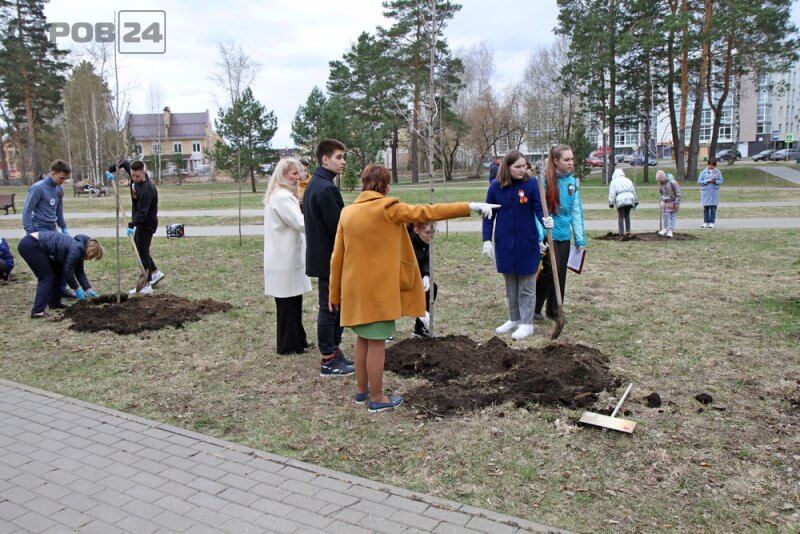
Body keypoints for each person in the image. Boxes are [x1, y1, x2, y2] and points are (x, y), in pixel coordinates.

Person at [329, 164, 496, 412]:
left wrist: (334, 292)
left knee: (362, 339)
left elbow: (337, 256)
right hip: (379, 291)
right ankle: (377, 398)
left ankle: (362, 392)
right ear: (386, 187)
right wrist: (470, 206)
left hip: (354, 288)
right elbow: (429, 211)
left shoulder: (347, 212)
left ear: (364, 184)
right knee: (376, 343)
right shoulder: (389, 208)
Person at [483, 150, 553, 340]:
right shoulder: (495, 186)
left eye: (524, 166)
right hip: (505, 242)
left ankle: (526, 324)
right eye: (518, 167)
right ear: (507, 167)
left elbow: (539, 208)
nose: (523, 170)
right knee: (511, 285)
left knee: (527, 286)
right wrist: (487, 239)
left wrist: (545, 220)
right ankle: (514, 319)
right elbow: (488, 215)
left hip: (526, 242)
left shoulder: (531, 184)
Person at [303, 139, 354, 376]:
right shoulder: (326, 188)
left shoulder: (315, 183)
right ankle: (328, 359)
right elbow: (339, 229)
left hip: (322, 255)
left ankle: (334, 350)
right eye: (339, 157)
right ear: (325, 159)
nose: (343, 162)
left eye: (344, 157)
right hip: (329, 258)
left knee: (334, 305)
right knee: (330, 307)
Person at [263, 158, 312, 355]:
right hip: (284, 258)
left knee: (293, 303)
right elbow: (300, 223)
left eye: (300, 173)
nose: (298, 177)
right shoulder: (282, 198)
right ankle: (288, 345)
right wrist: (317, 217)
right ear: (283, 175)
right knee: (288, 306)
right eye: (294, 173)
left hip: (284, 257)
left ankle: (298, 341)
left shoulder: (281, 195)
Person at [534, 144, 586, 322]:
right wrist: (541, 234)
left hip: (564, 234)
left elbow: (576, 211)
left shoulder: (572, 182)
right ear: (556, 161)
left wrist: (579, 238)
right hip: (549, 233)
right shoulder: (544, 180)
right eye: (566, 159)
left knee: (561, 272)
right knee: (549, 270)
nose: (571, 163)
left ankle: (555, 309)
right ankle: (534, 307)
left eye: (572, 159)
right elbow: (537, 210)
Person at [17, 231, 102, 318]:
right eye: (92, 256)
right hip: (31, 244)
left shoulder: (79, 248)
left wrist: (88, 289)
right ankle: (37, 311)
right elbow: (68, 272)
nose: (90, 259)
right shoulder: (76, 249)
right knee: (46, 277)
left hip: (32, 244)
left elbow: (79, 272)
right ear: (89, 251)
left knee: (58, 272)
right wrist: (76, 288)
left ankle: (54, 303)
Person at [22, 159, 73, 298]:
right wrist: (30, 232)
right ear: (53, 173)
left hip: (52, 229)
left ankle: (61, 288)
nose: (63, 181)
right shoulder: (38, 188)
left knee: (62, 258)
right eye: (61, 178)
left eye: (65, 179)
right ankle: (49, 293)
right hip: (39, 229)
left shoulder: (59, 189)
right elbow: (27, 210)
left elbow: (59, 211)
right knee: (47, 264)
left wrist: (63, 227)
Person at [127, 160, 164, 295]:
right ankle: (155, 272)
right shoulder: (134, 175)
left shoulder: (147, 189)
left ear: (144, 172)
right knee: (139, 248)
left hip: (147, 223)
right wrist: (111, 170)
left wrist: (132, 224)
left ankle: (147, 284)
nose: (134, 178)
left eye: (137, 176)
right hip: (141, 223)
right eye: (132, 175)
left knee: (141, 251)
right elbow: (125, 164)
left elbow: (143, 212)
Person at [407, 222, 437, 338]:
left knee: (432, 287)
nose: (431, 236)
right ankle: (385, 331)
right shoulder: (407, 244)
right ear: (416, 230)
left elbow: (426, 260)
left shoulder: (426, 242)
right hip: (401, 280)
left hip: (417, 278)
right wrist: (419, 309)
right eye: (428, 232)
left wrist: (426, 275)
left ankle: (419, 328)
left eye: (433, 232)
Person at [608, 168, 639, 238]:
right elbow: (633, 191)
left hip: (620, 199)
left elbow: (612, 193)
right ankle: (628, 232)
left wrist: (611, 202)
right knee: (627, 215)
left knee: (621, 216)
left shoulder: (614, 182)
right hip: (630, 199)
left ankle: (621, 234)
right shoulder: (628, 180)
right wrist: (636, 201)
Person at [698, 158, 723, 228]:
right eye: (710, 165)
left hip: (714, 193)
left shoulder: (718, 172)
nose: (712, 167)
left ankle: (712, 222)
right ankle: (706, 222)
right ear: (708, 164)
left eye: (713, 165)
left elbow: (721, 181)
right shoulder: (703, 172)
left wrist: (715, 181)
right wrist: (708, 181)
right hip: (706, 193)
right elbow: (699, 181)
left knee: (713, 209)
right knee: (706, 209)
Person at [657, 170, 682, 238]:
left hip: (673, 201)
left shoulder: (673, 182)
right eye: (658, 181)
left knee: (672, 216)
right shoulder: (661, 183)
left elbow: (678, 192)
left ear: (663, 178)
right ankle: (665, 229)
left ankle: (670, 230)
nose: (660, 182)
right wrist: (662, 199)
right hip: (665, 202)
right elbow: (662, 192)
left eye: (660, 180)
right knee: (665, 215)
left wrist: (677, 202)